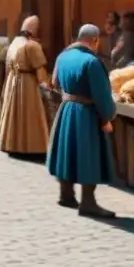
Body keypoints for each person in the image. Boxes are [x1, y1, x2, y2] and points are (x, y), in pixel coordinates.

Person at [46, 24, 117, 219]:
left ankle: (66, 194)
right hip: (85, 113)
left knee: (67, 152)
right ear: (94, 40)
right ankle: (88, 202)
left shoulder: (63, 57)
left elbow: (54, 83)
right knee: (88, 155)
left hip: (66, 109)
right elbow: (102, 95)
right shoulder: (92, 62)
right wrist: (107, 117)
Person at [0, 16, 50, 155]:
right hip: (27, 84)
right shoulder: (32, 45)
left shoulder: (14, 43)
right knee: (30, 115)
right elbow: (40, 71)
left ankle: (12, 143)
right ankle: (33, 146)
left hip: (13, 80)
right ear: (34, 29)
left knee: (14, 115)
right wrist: (47, 87)